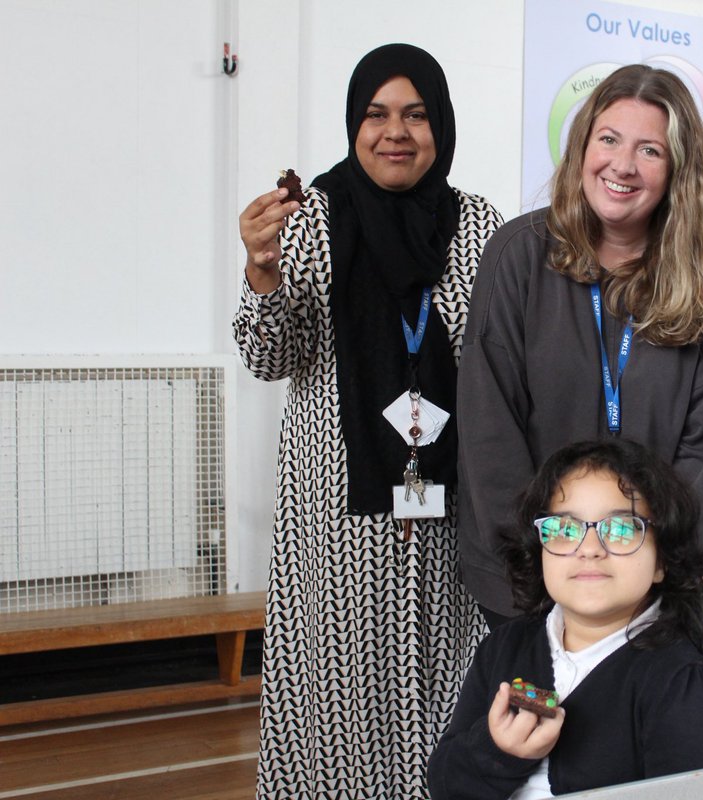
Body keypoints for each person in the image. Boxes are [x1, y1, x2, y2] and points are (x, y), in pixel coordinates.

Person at [232, 44, 503, 798]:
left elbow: (496, 358)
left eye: (416, 114)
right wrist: (262, 271)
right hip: (337, 522)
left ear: (440, 125)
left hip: (450, 511)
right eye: (377, 114)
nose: (396, 132)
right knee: (342, 704)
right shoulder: (312, 220)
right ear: (354, 125)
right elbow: (268, 355)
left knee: (452, 686)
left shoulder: (478, 226)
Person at [457, 64, 703, 628]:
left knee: (637, 716)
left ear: (678, 171)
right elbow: (491, 432)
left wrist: (652, 563)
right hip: (529, 583)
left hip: (651, 589)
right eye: (608, 139)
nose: (622, 164)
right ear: (582, 147)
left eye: (650, 150)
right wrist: (545, 561)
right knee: (536, 717)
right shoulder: (517, 255)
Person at [429, 438, 703, 798]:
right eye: (564, 529)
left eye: (620, 529)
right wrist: (500, 751)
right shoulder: (504, 647)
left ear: (662, 560)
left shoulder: (678, 680)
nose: (588, 550)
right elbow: (444, 785)